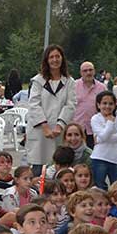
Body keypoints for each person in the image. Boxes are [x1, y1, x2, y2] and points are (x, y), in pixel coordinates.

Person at [25, 45, 76, 174]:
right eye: (51, 57)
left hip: (59, 132)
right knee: (39, 169)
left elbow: (71, 104)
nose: (55, 60)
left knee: (59, 167)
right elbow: (34, 104)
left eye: (57, 56)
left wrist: (59, 125)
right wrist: (45, 126)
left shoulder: (69, 82)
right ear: (46, 60)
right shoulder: (38, 81)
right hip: (40, 132)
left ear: (62, 59)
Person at [71, 62, 102, 147]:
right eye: (85, 71)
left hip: (94, 129)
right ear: (81, 73)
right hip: (76, 129)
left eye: (90, 70)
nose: (88, 73)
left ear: (94, 71)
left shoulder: (102, 88)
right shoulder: (73, 86)